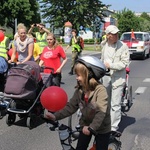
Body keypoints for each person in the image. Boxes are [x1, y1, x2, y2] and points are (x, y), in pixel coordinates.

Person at [44, 56, 111, 150]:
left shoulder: (100, 90)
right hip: (85, 124)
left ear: (89, 75)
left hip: (101, 127)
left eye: (79, 75)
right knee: (80, 147)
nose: (76, 78)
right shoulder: (80, 91)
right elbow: (70, 106)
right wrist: (55, 116)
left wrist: (92, 127)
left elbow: (101, 112)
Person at [101, 25, 129, 132]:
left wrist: (111, 65)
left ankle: (113, 128)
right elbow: (102, 59)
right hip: (105, 78)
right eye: (113, 34)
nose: (116, 35)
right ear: (108, 35)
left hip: (117, 78)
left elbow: (124, 63)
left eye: (117, 33)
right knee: (105, 102)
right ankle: (106, 123)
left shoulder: (123, 46)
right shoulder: (104, 45)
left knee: (115, 104)